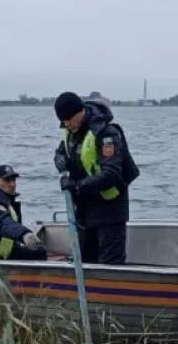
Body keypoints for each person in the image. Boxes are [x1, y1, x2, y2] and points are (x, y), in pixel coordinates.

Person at [52, 92, 140, 265]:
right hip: (85, 212)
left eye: (70, 119)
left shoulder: (107, 134)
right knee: (85, 262)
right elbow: (61, 151)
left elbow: (112, 174)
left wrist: (77, 186)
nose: (67, 124)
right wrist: (59, 159)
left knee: (109, 264)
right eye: (64, 121)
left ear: (81, 111)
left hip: (110, 212)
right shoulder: (71, 133)